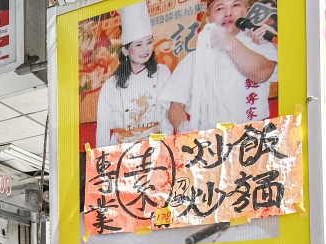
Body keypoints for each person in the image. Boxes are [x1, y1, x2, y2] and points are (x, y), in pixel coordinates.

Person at [160, 0, 278, 133]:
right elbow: (176, 104)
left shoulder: (260, 43)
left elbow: (262, 73)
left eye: (235, 5)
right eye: (220, 8)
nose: (228, 13)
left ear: (245, 11)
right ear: (209, 19)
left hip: (252, 136)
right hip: (210, 138)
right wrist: (183, 126)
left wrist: (229, 43)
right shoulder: (194, 58)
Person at [95, 1, 172, 147]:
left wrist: (166, 148)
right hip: (121, 150)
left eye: (149, 42)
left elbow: (167, 118)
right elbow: (103, 130)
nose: (145, 49)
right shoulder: (110, 85)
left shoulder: (162, 73)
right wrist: (104, 157)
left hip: (155, 146)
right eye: (138, 44)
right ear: (125, 50)